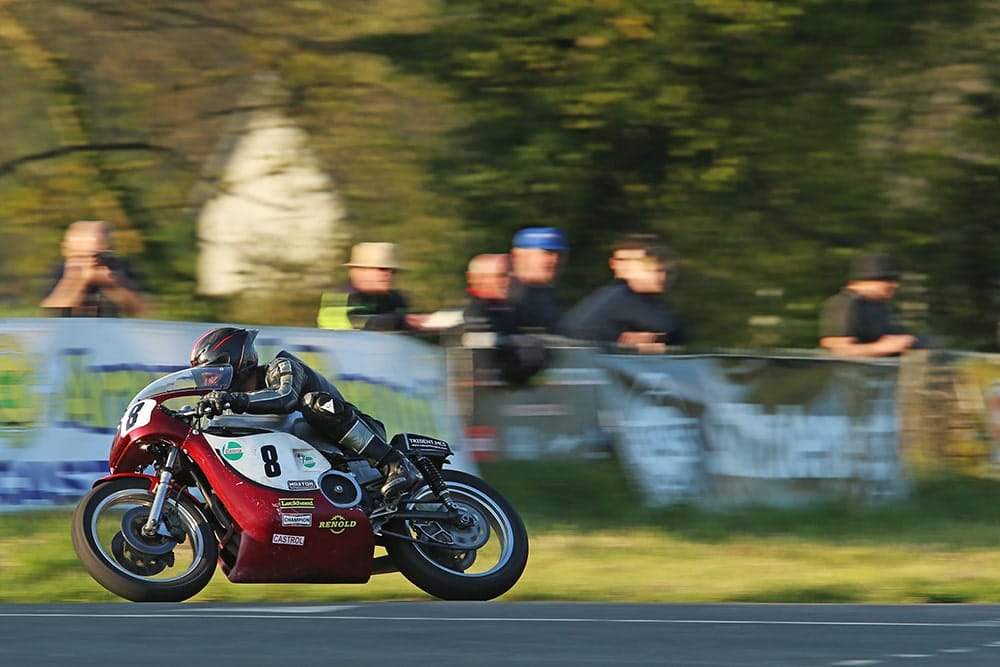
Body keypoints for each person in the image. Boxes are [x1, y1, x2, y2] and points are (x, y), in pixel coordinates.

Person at [190, 326, 421, 502]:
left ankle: (395, 464)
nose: (210, 381)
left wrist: (233, 399)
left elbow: (285, 398)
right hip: (306, 467)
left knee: (314, 403)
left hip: (355, 439)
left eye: (213, 373)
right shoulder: (227, 405)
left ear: (235, 361)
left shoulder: (281, 367)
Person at [559, 244, 687, 354]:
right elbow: (674, 328)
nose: (663, 277)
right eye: (656, 271)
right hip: (586, 366)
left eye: (667, 272)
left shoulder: (614, 293)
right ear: (639, 272)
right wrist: (657, 338)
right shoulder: (626, 298)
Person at [818, 253, 922, 357]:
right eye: (886, 280)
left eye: (895, 280)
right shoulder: (844, 304)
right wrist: (883, 347)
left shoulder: (880, 307)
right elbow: (836, 351)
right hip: (849, 372)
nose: (894, 285)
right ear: (864, 281)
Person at [40, 220, 147, 317]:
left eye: (93, 255)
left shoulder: (114, 267)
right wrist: (79, 280)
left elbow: (139, 310)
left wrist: (111, 286)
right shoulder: (61, 270)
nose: (88, 261)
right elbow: (52, 306)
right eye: (79, 256)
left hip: (108, 333)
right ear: (66, 251)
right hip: (69, 334)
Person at [317, 242, 425, 332]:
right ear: (357, 271)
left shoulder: (394, 298)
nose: (389, 274)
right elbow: (360, 326)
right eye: (381, 269)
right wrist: (405, 320)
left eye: (394, 271)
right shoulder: (339, 298)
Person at [507, 227, 568, 333]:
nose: (555, 259)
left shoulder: (550, 295)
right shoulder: (504, 297)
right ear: (518, 256)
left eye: (560, 254)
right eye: (547, 253)